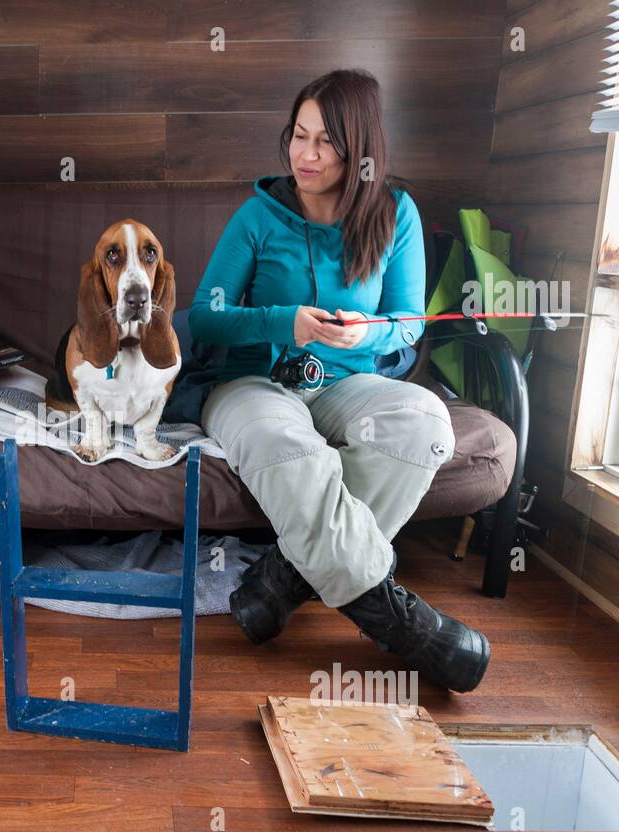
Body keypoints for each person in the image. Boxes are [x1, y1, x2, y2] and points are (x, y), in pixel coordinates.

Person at [188, 69, 491, 692]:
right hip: (256, 384)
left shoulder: (395, 213)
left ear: (361, 152)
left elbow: (408, 322)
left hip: (350, 385)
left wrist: (368, 333)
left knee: (426, 422)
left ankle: (284, 579)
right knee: (289, 449)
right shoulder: (258, 215)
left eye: (325, 142)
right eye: (298, 136)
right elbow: (207, 317)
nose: (305, 154)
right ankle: (397, 620)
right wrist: (283, 321)